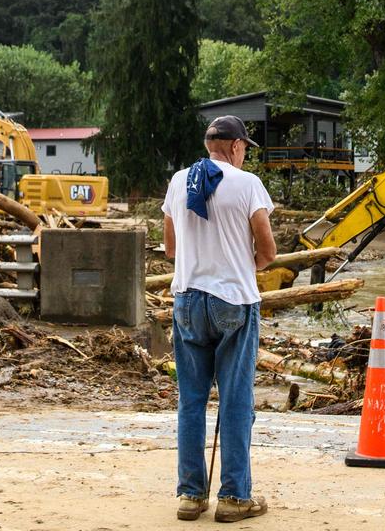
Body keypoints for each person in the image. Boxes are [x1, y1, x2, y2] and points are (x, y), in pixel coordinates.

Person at [162, 115, 276, 523]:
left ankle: (191, 495)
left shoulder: (179, 182)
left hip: (188, 300)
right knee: (235, 399)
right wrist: (243, 267)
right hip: (233, 301)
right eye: (245, 147)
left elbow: (171, 248)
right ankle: (234, 497)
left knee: (191, 400)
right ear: (235, 147)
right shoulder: (247, 185)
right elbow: (268, 250)